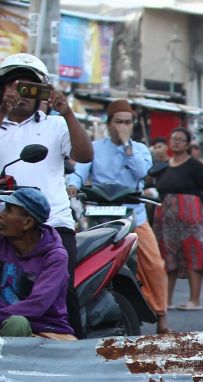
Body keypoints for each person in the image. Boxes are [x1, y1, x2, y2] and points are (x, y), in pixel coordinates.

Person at [0, 53, 93, 335]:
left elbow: (84, 155)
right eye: (14, 86)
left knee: (63, 293)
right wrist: (1, 110)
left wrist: (67, 112)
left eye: (29, 88)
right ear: (1, 89)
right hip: (6, 224)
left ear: (42, 93)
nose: (21, 94)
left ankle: (72, 351)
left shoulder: (55, 124)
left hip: (53, 223)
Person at [68, 99, 170, 333]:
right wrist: (73, 185)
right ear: (108, 123)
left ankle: (162, 317)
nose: (123, 126)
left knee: (155, 264)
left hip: (134, 214)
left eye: (128, 122)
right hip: (98, 215)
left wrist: (126, 145)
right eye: (119, 122)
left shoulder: (140, 150)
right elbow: (79, 172)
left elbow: (141, 172)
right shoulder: (94, 147)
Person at [0, 187, 73, 338]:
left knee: (17, 323)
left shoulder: (55, 257)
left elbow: (37, 305)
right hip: (4, 324)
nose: (1, 214)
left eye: (9, 210)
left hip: (46, 331)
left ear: (27, 222)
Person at [153, 127, 203, 310]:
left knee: (193, 254)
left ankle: (194, 300)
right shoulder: (164, 165)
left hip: (191, 216)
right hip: (166, 219)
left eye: (180, 139)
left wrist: (201, 208)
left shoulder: (195, 165)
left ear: (188, 144)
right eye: (173, 139)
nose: (176, 142)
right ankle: (167, 300)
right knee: (168, 257)